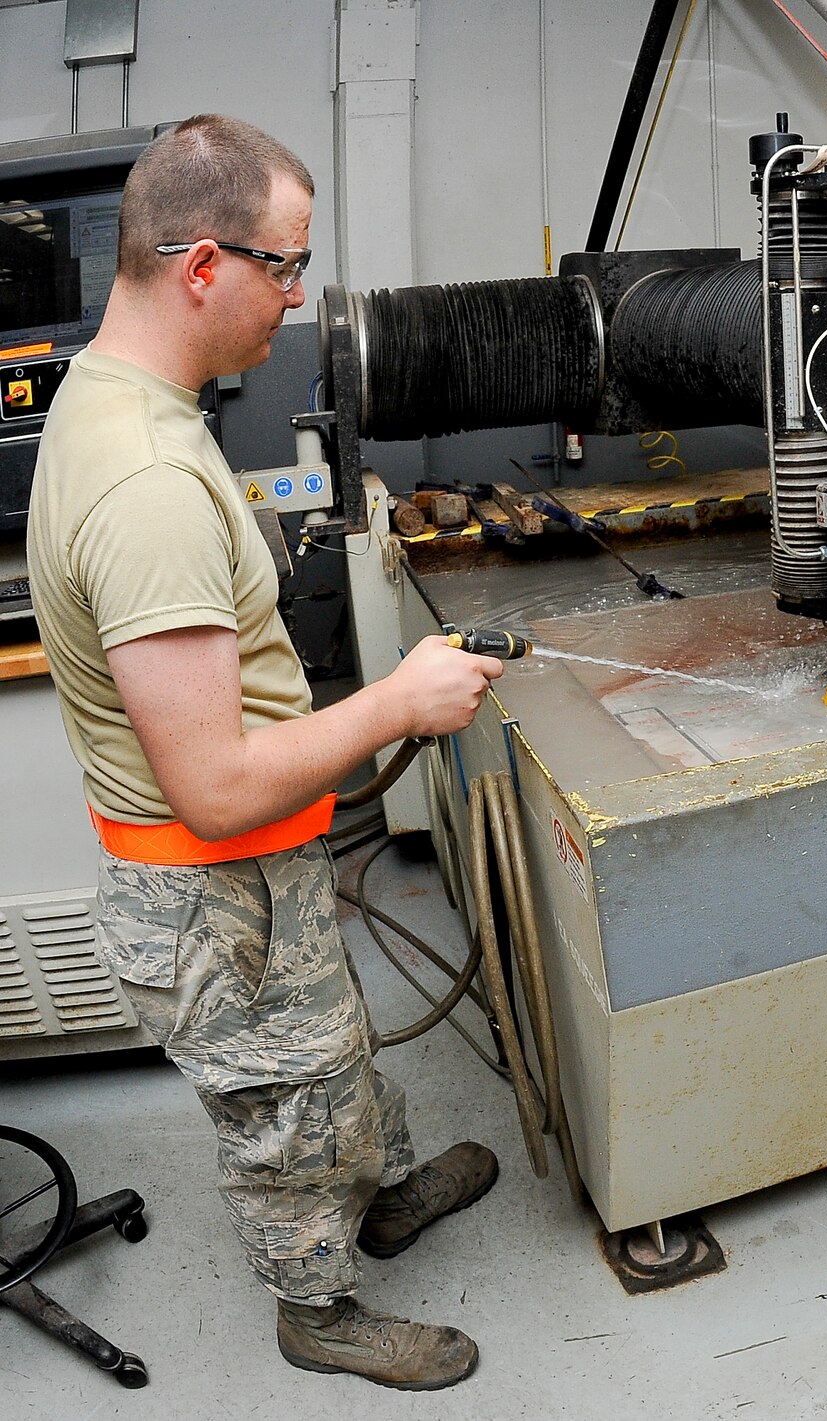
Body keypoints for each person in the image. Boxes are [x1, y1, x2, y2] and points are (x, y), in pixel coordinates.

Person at [26, 114, 501, 1391]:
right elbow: (216, 780)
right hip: (208, 887)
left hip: (253, 871)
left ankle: (384, 1192)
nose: (295, 296)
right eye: (284, 267)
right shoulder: (143, 484)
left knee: (330, 1049)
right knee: (287, 1113)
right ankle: (320, 1308)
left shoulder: (126, 394)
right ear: (199, 265)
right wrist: (402, 699)